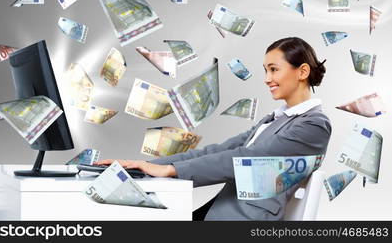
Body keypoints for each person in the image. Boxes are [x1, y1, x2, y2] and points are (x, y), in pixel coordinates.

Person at [96, 37, 332, 221]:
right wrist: (145, 166)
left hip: (244, 219)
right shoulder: (274, 119)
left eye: (273, 69)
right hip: (224, 210)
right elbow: (218, 151)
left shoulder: (313, 126)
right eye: (265, 70)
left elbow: (247, 159)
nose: (266, 78)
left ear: (302, 72)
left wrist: (171, 170)